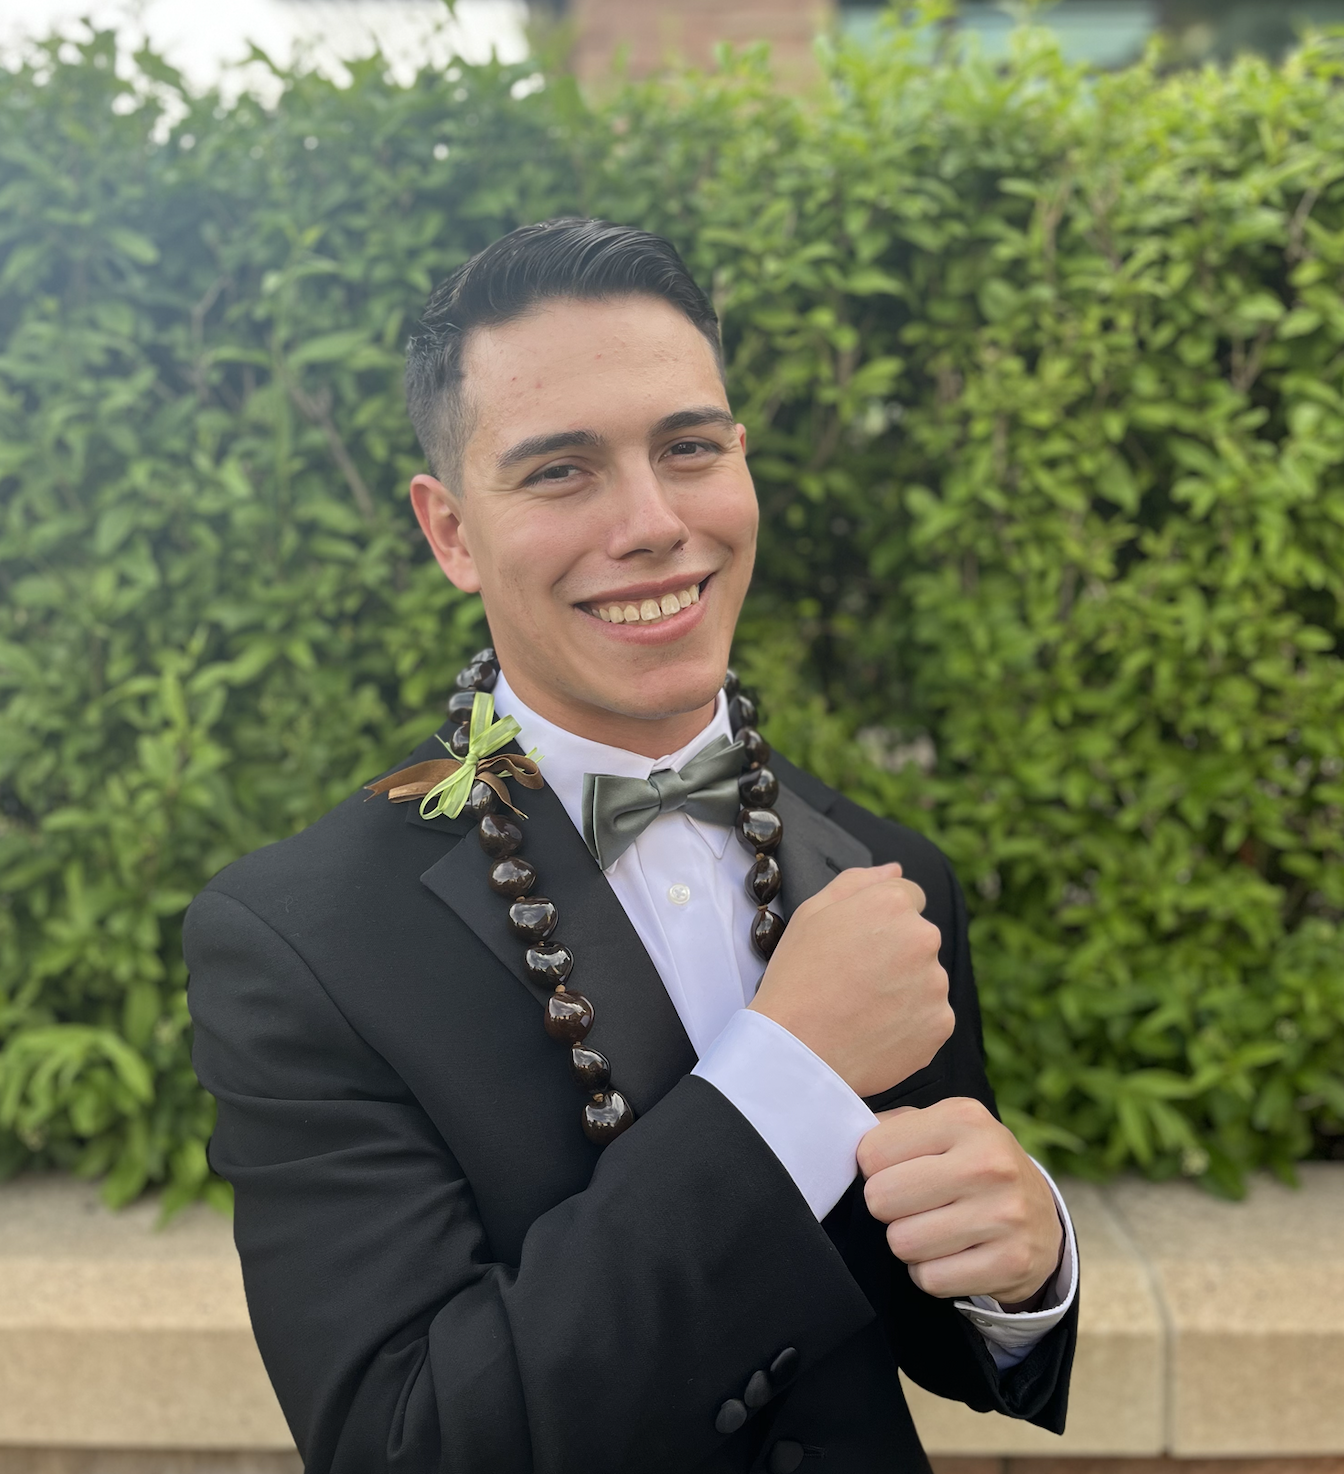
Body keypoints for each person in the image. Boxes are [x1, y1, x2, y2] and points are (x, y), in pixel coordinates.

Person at [185, 218, 1078, 1474]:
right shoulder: (299, 940)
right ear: (451, 532)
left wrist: (1024, 1266)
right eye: (561, 470)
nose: (654, 521)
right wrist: (788, 1070)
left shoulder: (888, 874)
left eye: (688, 448)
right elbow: (409, 1443)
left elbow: (921, 1304)